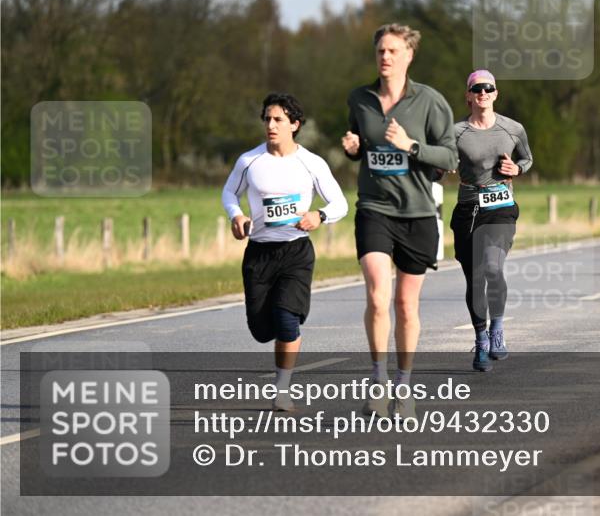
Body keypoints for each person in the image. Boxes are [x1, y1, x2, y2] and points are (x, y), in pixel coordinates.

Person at [342, 23, 458, 419]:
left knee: (406, 305)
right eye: (380, 51)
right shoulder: (360, 99)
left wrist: (410, 145)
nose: (385, 57)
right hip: (374, 209)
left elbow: (450, 158)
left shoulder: (430, 102)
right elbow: (361, 143)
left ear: (409, 55)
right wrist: (355, 149)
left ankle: (404, 386)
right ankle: (378, 381)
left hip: (418, 213)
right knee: (377, 296)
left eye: (393, 51)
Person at [222, 93, 349, 412]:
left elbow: (340, 203)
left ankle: (282, 388)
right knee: (262, 330)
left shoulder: (311, 162)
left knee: (287, 319)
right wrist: (236, 215)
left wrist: (319, 216)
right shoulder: (249, 161)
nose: (271, 125)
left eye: (278, 119)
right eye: (267, 118)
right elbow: (229, 193)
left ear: (295, 124)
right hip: (259, 255)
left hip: (296, 252)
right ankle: (277, 351)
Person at [451, 70, 533, 372]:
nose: (483, 93)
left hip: (501, 206)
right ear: (468, 95)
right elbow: (442, 161)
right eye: (477, 88)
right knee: (474, 278)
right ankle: (481, 339)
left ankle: (497, 329)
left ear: (496, 93)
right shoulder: (456, 132)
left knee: (493, 268)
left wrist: (517, 169)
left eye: (488, 88)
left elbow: (527, 159)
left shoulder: (513, 128)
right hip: (468, 209)